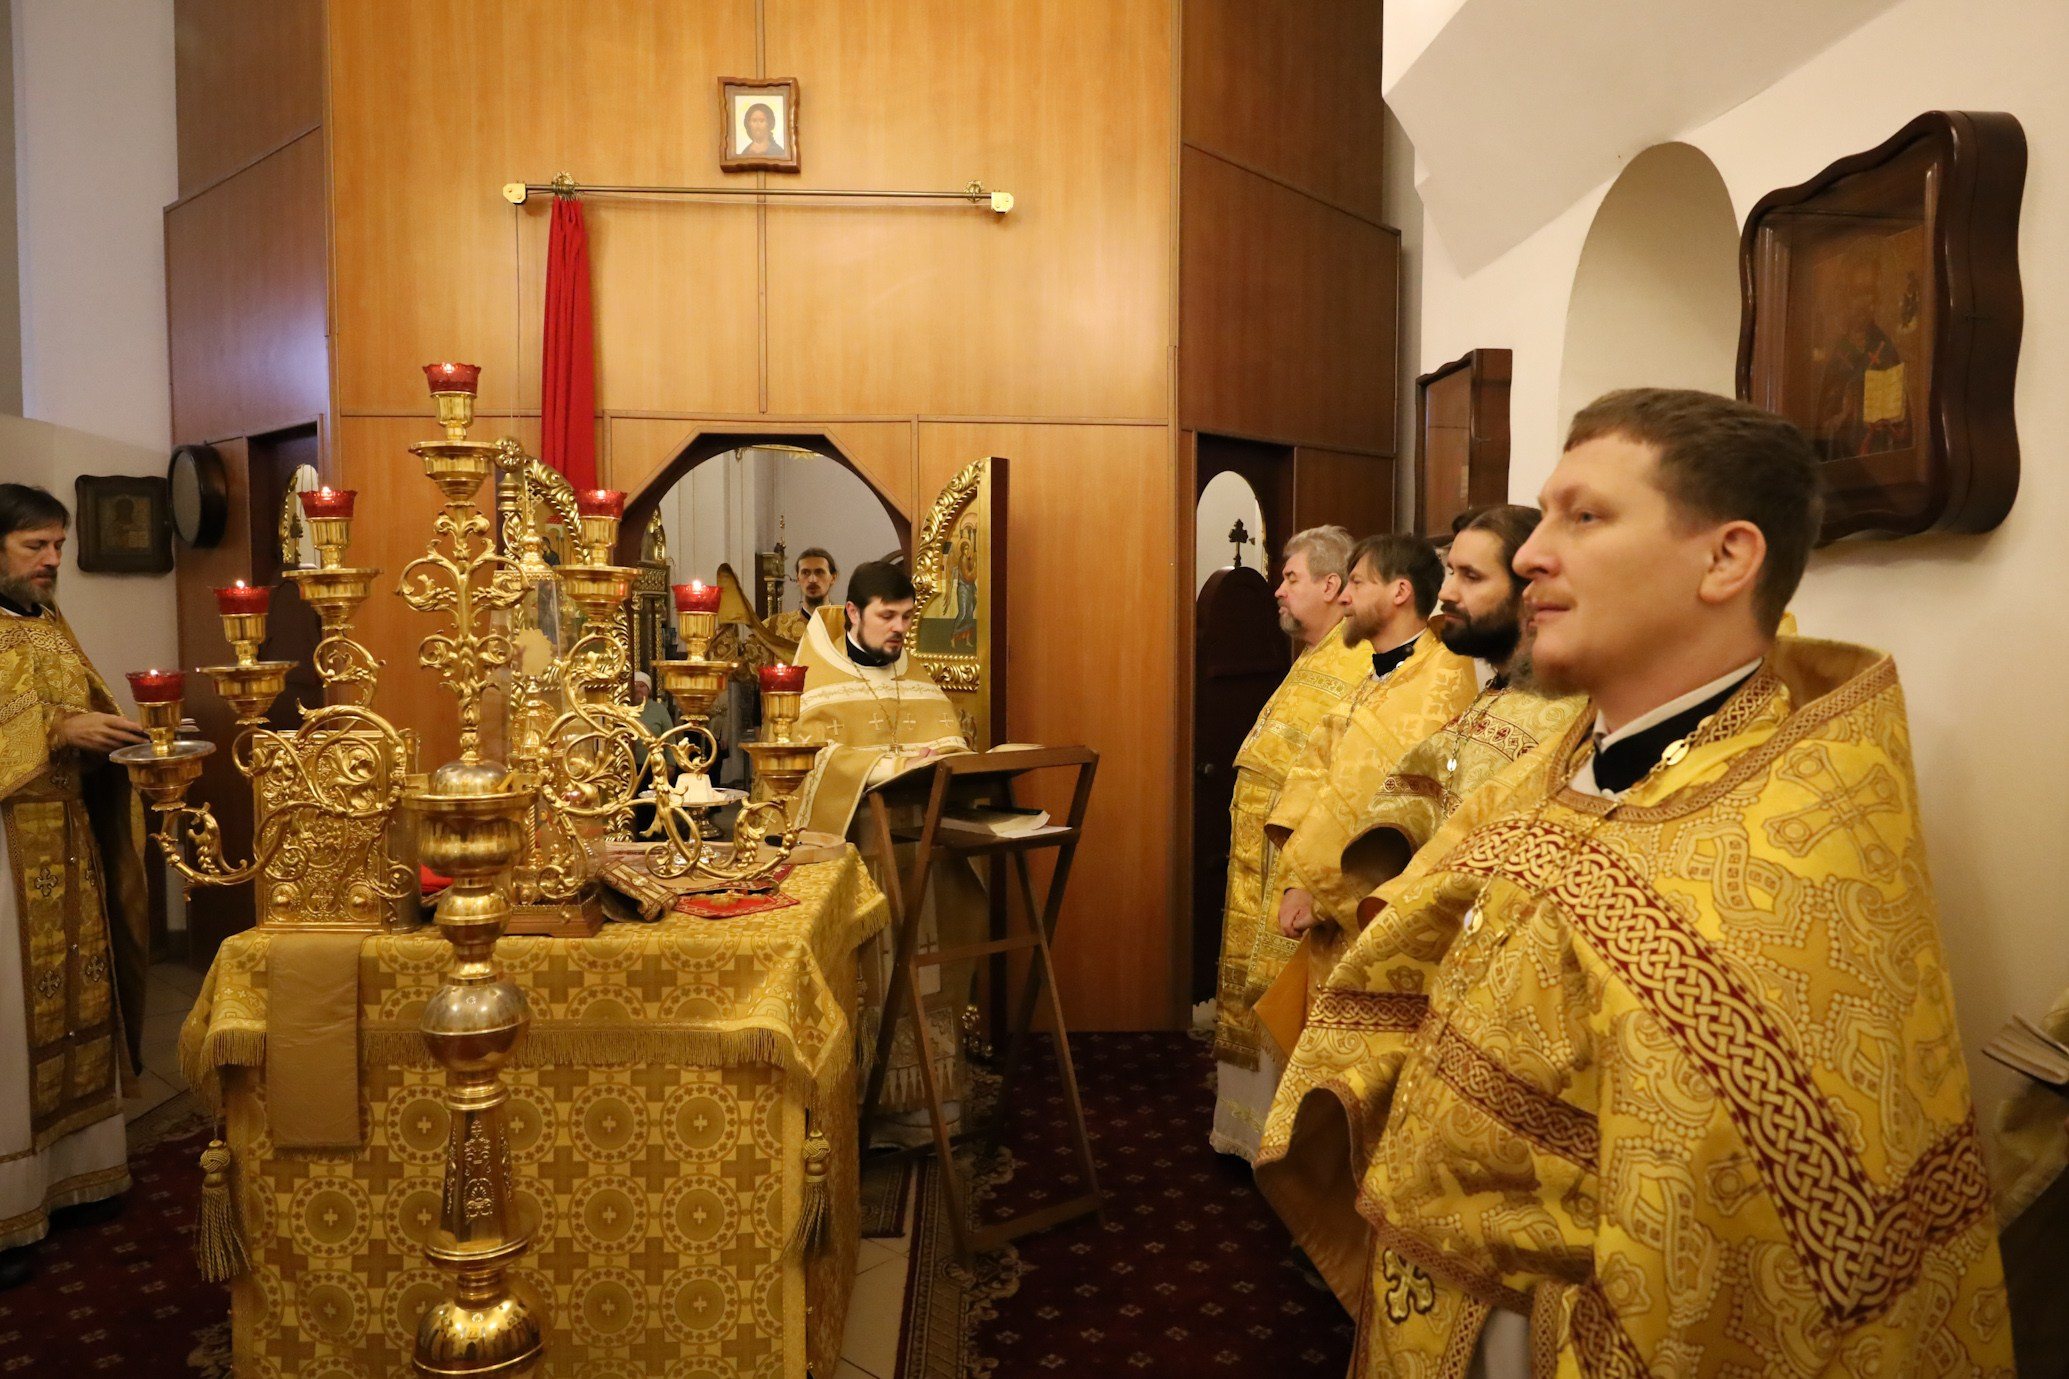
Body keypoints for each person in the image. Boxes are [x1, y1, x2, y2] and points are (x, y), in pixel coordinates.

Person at [1273, 390, 2008, 1374]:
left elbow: (1735, 1264)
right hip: (1428, 1292)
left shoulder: (1784, 858)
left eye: (1584, 516)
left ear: (1724, 558)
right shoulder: (1556, 763)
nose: (1532, 555)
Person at [1251, 505, 1586, 1307]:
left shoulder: (1562, 713)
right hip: (1410, 952)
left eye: (1469, 576)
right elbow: (1419, 781)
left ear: (1530, 590)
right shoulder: (1495, 692)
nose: (1447, 594)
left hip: (1478, 988)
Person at [1212, 534, 1477, 1160]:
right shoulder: (1379, 672)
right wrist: (1298, 866)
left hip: (1368, 894)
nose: (1347, 597)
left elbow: (1370, 790)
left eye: (1357, 583)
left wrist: (1311, 880)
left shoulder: (1436, 677)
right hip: (1318, 878)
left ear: (1399, 591)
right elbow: (1317, 764)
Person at [0, 484, 152, 1288]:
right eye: (35, 545)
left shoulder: (46, 620)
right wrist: (58, 729)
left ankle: (77, 1174)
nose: (53, 559)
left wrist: (113, 735)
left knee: (77, 1000)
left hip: (66, 835)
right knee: (12, 1025)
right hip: (5, 857)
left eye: (58, 544)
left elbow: (79, 707)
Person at [791, 561, 974, 1139]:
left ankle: (931, 1095)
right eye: (886, 616)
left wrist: (942, 757)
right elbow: (803, 758)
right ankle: (862, 1105)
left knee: (927, 967)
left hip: (922, 851)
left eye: (906, 617)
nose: (899, 629)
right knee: (873, 973)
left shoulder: (910, 670)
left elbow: (948, 736)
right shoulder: (817, 672)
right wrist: (883, 766)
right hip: (860, 852)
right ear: (853, 612)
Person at [1210, 526, 1370, 1155]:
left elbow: (1348, 781)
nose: (1277, 590)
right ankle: (1248, 1138)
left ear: (1331, 585)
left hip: (1297, 868)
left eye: (1291, 578)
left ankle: (1283, 1149)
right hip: (1259, 861)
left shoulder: (1358, 665)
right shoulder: (1310, 658)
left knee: (1283, 998)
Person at [769, 547, 837, 645]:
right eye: (805, 573)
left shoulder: (849, 626)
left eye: (819, 572)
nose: (812, 580)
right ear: (798, 578)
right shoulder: (775, 627)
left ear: (833, 578)